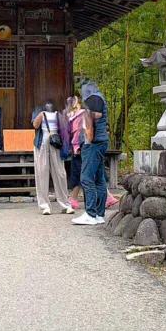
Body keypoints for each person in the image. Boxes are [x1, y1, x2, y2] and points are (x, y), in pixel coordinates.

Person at [72, 80, 109, 226]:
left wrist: (84, 116)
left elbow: (95, 116)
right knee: (99, 179)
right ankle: (99, 214)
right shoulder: (98, 97)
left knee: (87, 177)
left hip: (93, 143)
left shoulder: (94, 98)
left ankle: (90, 213)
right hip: (100, 141)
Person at [31, 101, 73, 215]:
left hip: (55, 141)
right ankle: (44, 205)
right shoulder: (38, 111)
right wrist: (41, 114)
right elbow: (35, 125)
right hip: (42, 141)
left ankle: (65, 204)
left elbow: (65, 129)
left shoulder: (58, 114)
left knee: (60, 173)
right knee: (42, 172)